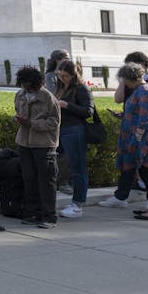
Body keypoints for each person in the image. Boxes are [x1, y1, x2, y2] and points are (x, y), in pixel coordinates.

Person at [98, 63, 148, 220]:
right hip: (146, 139)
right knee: (146, 173)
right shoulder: (141, 90)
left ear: (129, 79)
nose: (124, 84)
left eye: (124, 80)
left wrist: (136, 141)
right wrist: (124, 116)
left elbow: (145, 120)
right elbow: (139, 114)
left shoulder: (144, 92)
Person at [14, 67, 61, 228]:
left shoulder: (48, 98)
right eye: (23, 84)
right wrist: (18, 119)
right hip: (24, 143)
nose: (25, 87)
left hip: (44, 145)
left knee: (46, 182)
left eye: (28, 84)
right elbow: (17, 110)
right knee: (29, 180)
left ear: (36, 83)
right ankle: (33, 213)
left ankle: (49, 216)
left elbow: (54, 122)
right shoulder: (20, 95)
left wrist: (32, 123)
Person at [54, 60, 94, 219]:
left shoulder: (81, 88)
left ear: (73, 75)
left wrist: (67, 105)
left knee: (78, 168)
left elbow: (88, 111)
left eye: (65, 76)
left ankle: (78, 204)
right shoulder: (61, 87)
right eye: (60, 75)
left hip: (74, 130)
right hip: (61, 129)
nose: (62, 78)